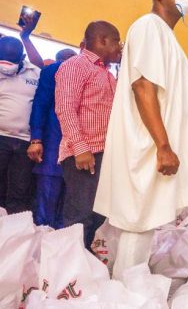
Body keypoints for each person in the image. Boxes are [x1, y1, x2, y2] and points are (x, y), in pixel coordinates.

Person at [94, 0, 188, 278]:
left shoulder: (166, 36)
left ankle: (127, 287)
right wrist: (164, 146)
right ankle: (126, 294)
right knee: (138, 222)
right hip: (148, 147)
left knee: (143, 223)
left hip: (154, 146)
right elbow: (143, 86)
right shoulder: (148, 27)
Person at [55, 22, 122, 249]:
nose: (120, 46)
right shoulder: (75, 65)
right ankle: (69, 270)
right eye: (116, 41)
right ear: (102, 40)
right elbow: (65, 108)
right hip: (84, 154)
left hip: (104, 153)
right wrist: (81, 148)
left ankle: (87, 268)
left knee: (98, 216)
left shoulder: (106, 73)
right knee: (79, 215)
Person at [27, 47, 79, 229]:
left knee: (69, 210)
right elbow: (40, 105)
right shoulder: (53, 71)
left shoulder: (94, 73)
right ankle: (42, 245)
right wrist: (36, 139)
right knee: (46, 205)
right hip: (52, 145)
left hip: (78, 151)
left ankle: (58, 247)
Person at [0, 36, 41, 214]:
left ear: (22, 57)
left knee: (19, 189)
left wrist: (26, 36)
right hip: (1, 137)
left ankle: (12, 231)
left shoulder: (35, 73)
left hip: (26, 142)